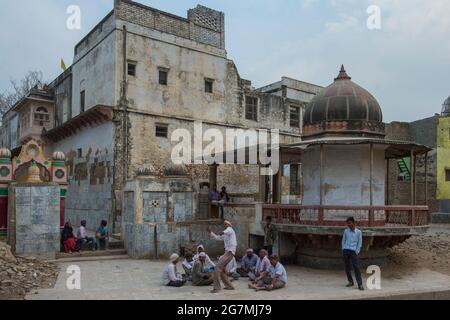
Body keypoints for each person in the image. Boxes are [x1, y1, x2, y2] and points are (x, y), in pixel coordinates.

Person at [208, 220, 237, 293]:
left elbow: (227, 231)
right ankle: (229, 286)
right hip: (227, 252)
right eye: (224, 224)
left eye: (226, 224)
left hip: (230, 252)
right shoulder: (226, 234)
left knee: (217, 268)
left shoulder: (230, 230)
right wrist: (210, 232)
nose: (225, 225)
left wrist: (223, 232)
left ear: (229, 225)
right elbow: (218, 238)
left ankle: (216, 288)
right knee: (222, 270)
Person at [342, 217, 364, 291]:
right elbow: (343, 240)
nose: (348, 225)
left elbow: (359, 243)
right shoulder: (346, 231)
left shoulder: (358, 232)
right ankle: (350, 281)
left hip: (353, 251)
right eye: (347, 223)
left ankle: (360, 284)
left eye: (350, 223)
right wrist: (343, 248)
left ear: (354, 223)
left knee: (356, 267)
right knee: (347, 267)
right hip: (346, 250)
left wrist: (356, 251)